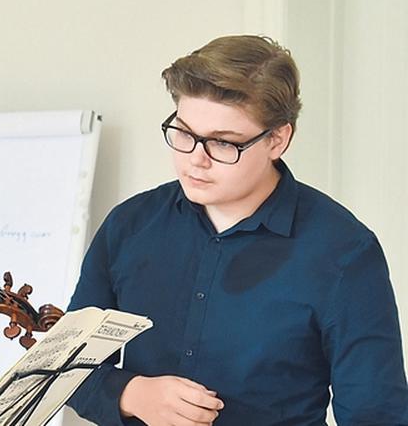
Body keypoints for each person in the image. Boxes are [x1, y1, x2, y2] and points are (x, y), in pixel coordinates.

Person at [65, 35, 408, 425]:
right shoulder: (128, 227)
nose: (195, 160)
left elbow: (376, 414)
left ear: (278, 139)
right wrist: (131, 394)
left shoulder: (345, 252)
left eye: (223, 144)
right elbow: (68, 373)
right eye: (183, 133)